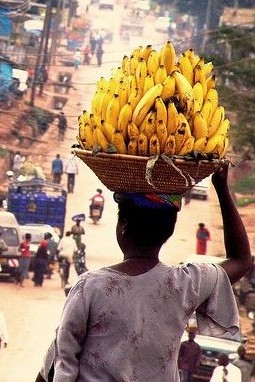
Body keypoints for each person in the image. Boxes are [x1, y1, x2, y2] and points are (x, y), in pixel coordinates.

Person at [36, 163, 252, 382]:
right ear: (169, 232)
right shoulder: (184, 285)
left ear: (123, 226)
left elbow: (59, 357)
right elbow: (241, 260)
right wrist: (222, 188)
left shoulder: (90, 287)